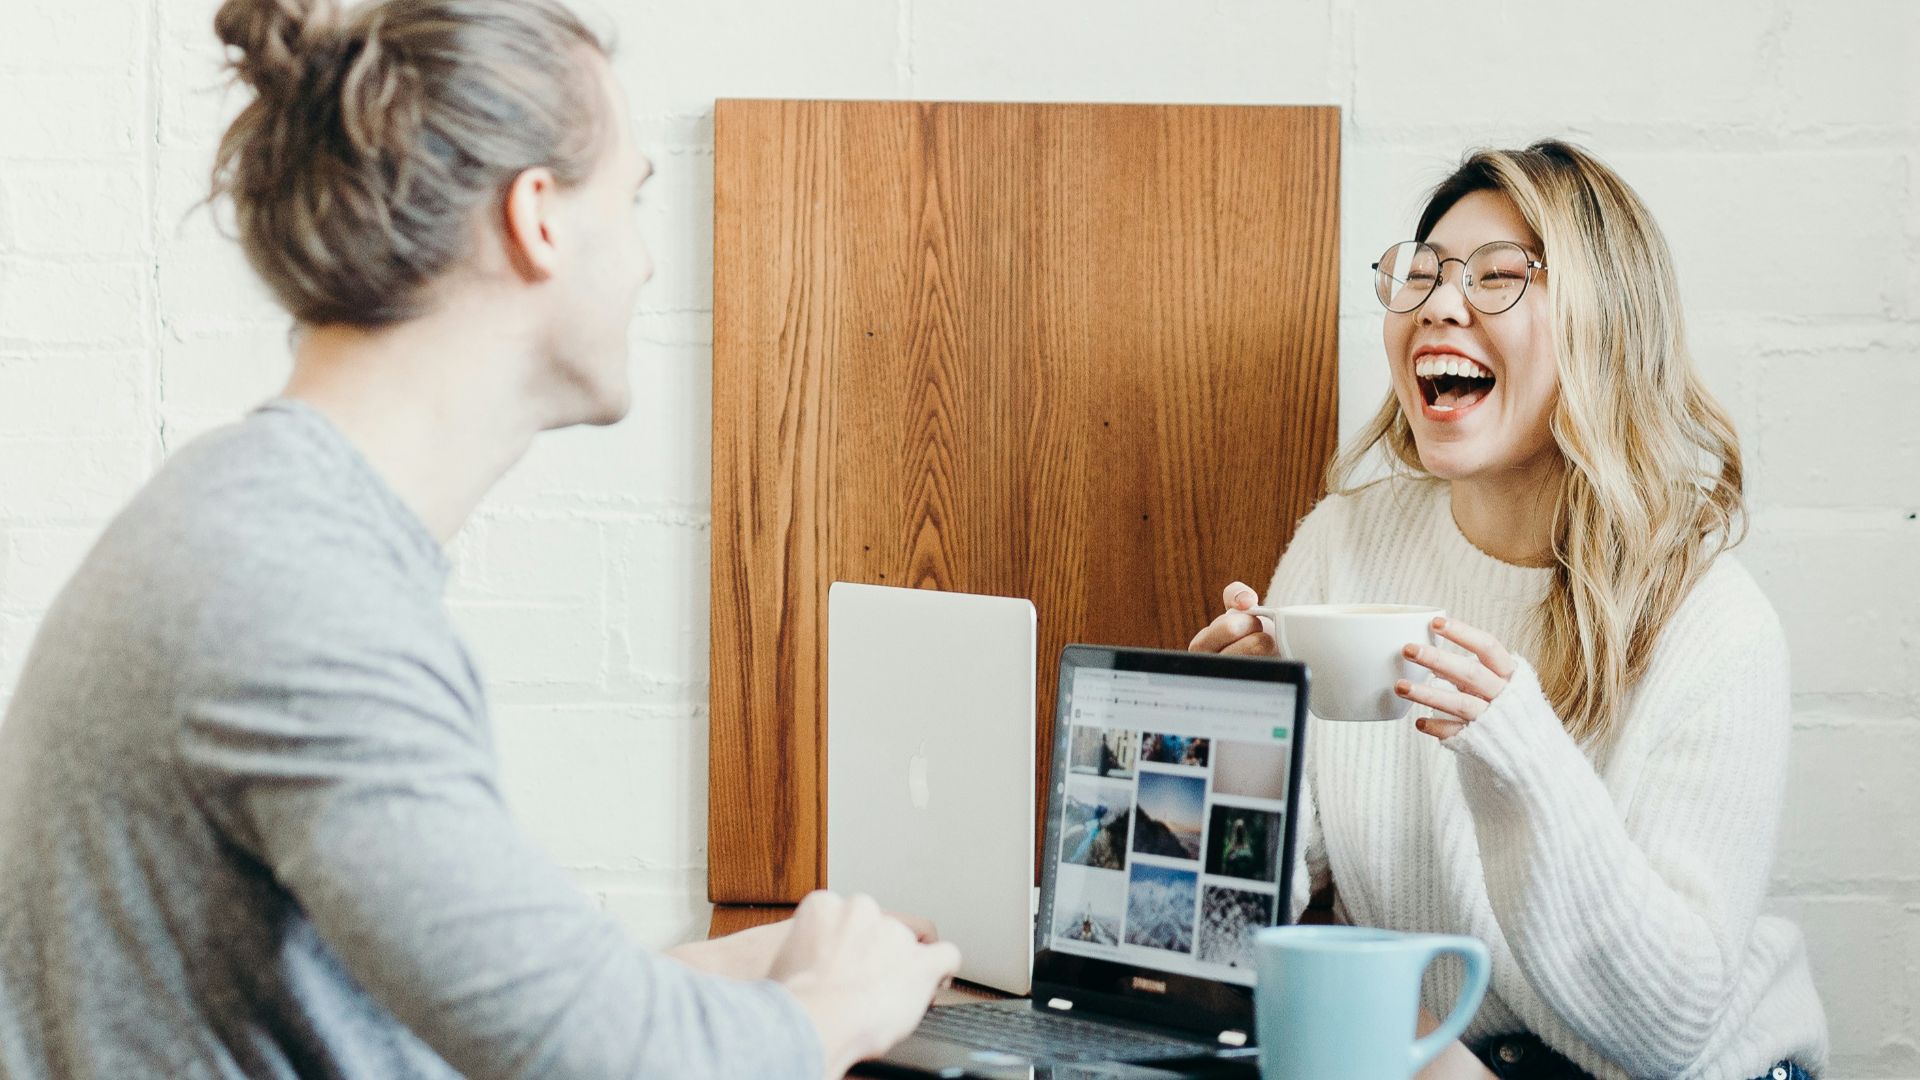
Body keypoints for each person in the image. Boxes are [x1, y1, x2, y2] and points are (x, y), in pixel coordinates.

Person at [0, 1, 957, 1077]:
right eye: (633, 199)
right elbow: (602, 1064)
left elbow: (437, 1010)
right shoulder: (292, 599)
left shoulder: (256, 525)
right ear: (538, 218)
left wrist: (727, 977)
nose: (646, 263)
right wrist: (838, 1007)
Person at [1190, 141, 1826, 1080]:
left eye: (1499, 278)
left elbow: (1668, 1030)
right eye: (1422, 277)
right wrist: (1239, 744)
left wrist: (1518, 752)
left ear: (1604, 328)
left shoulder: (1712, 621)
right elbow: (1251, 914)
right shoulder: (1345, 543)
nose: (1440, 305)